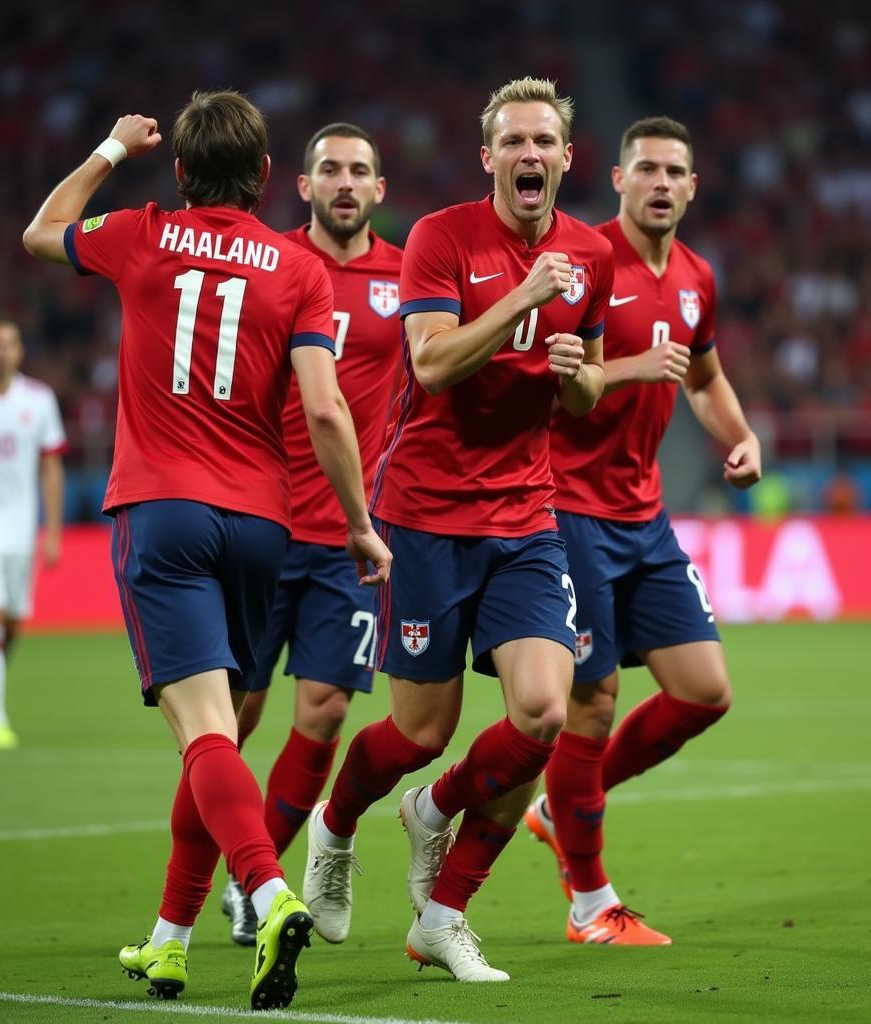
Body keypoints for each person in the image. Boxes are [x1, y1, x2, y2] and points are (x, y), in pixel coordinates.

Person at [22, 91, 390, 1009]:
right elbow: (323, 407)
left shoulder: (141, 232)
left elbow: (42, 230)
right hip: (263, 526)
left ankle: (268, 896)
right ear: (270, 178)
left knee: (206, 739)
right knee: (215, 740)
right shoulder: (293, 265)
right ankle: (169, 940)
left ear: (181, 173)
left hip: (164, 513)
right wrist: (355, 520)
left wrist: (111, 145)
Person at [302, 76, 614, 981]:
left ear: (564, 155)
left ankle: (443, 899)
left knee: (544, 714)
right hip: (428, 516)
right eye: (511, 142)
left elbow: (588, 389)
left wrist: (575, 373)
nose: (528, 156)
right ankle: (336, 822)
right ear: (489, 158)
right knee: (420, 731)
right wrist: (521, 302)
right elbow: (431, 364)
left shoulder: (589, 252)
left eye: (542, 142)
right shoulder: (441, 238)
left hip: (526, 515)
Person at [524, 116, 761, 945]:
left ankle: (561, 804)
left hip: (644, 513)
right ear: (618, 179)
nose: (662, 183)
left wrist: (740, 437)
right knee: (591, 704)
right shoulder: (584, 263)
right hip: (570, 507)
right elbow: (550, 385)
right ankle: (590, 903)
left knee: (704, 690)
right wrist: (621, 369)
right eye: (647, 169)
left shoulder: (696, 275)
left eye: (676, 172)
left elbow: (705, 377)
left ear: (693, 187)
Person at [219, 123, 403, 947]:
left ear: (379, 189)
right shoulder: (271, 266)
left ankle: (247, 883)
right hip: (260, 521)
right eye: (329, 168)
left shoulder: (408, 278)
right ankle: (230, 866)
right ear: (301, 185)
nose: (344, 182)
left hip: (348, 538)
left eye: (359, 170)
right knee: (232, 717)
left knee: (324, 712)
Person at [0, 315, 66, 750]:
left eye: (9, 343)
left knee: (12, 624)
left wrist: (54, 530)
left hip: (20, 527)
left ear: (20, 351)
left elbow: (51, 466)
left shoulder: (39, 400)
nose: (1, 350)